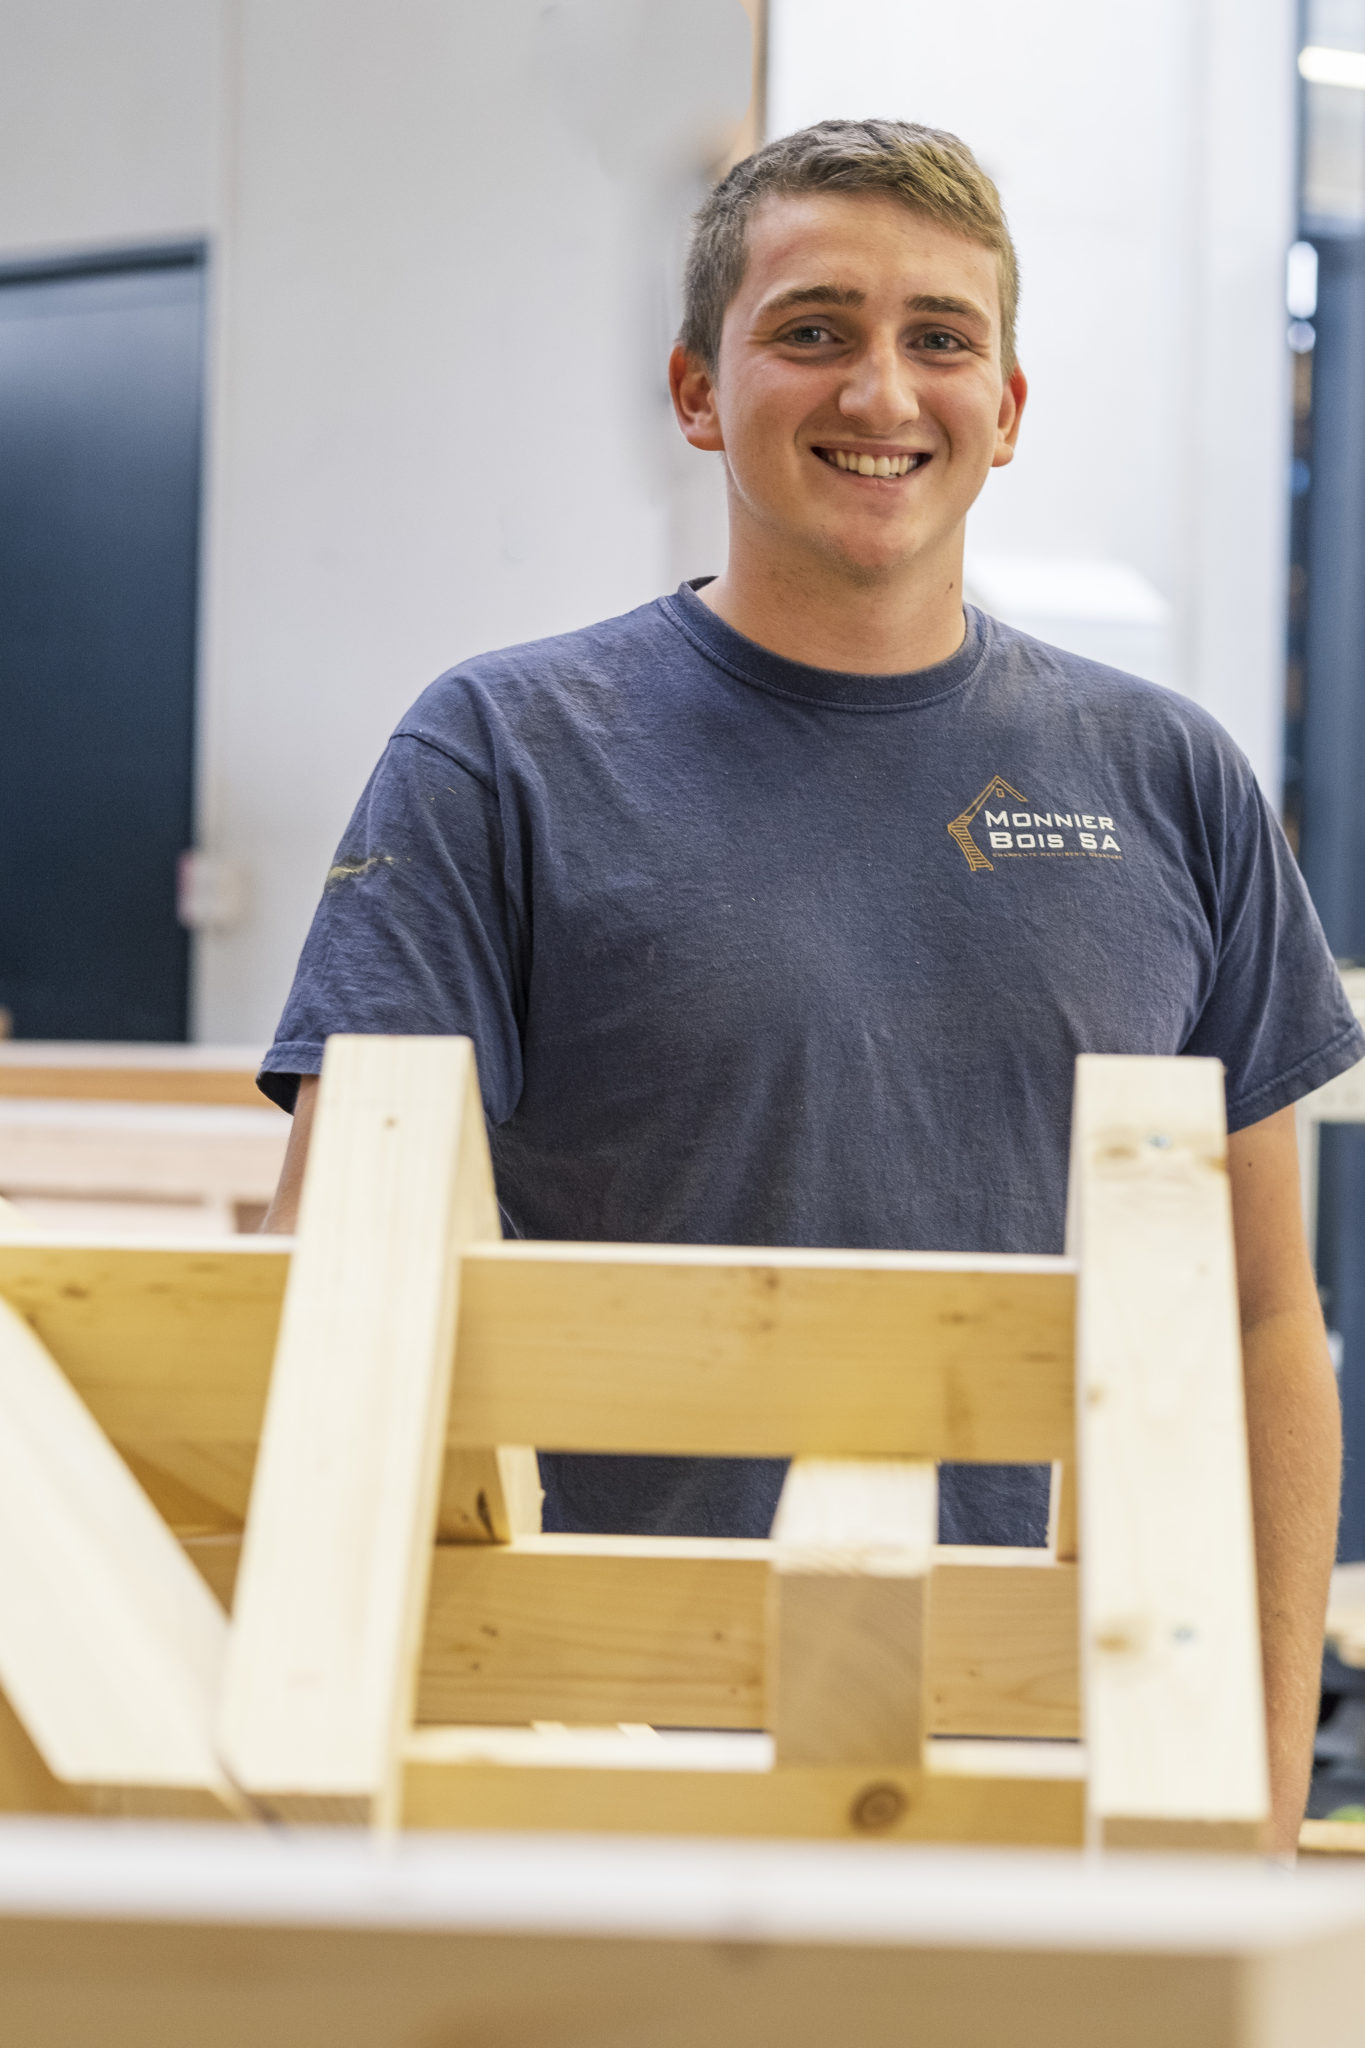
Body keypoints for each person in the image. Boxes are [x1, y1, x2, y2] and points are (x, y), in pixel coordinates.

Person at [258, 119, 1364, 1852]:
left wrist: (1258, 1765)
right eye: (813, 328)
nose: (882, 389)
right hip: (585, 1746)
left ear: (1007, 408)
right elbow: (338, 1285)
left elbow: (1255, 1320)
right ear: (699, 393)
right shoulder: (502, 754)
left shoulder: (1172, 780)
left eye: (940, 338)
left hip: (1053, 1748)